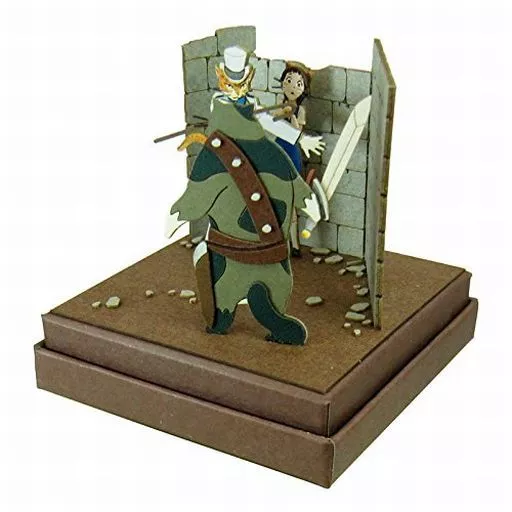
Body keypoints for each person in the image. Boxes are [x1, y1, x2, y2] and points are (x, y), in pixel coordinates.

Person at [165, 46, 324, 345]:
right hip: (229, 254)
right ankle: (222, 318)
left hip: (269, 253)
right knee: (225, 288)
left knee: (267, 282)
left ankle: (261, 317)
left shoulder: (266, 144)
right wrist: (179, 214)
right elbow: (200, 188)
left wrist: (300, 141)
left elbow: (273, 127)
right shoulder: (215, 151)